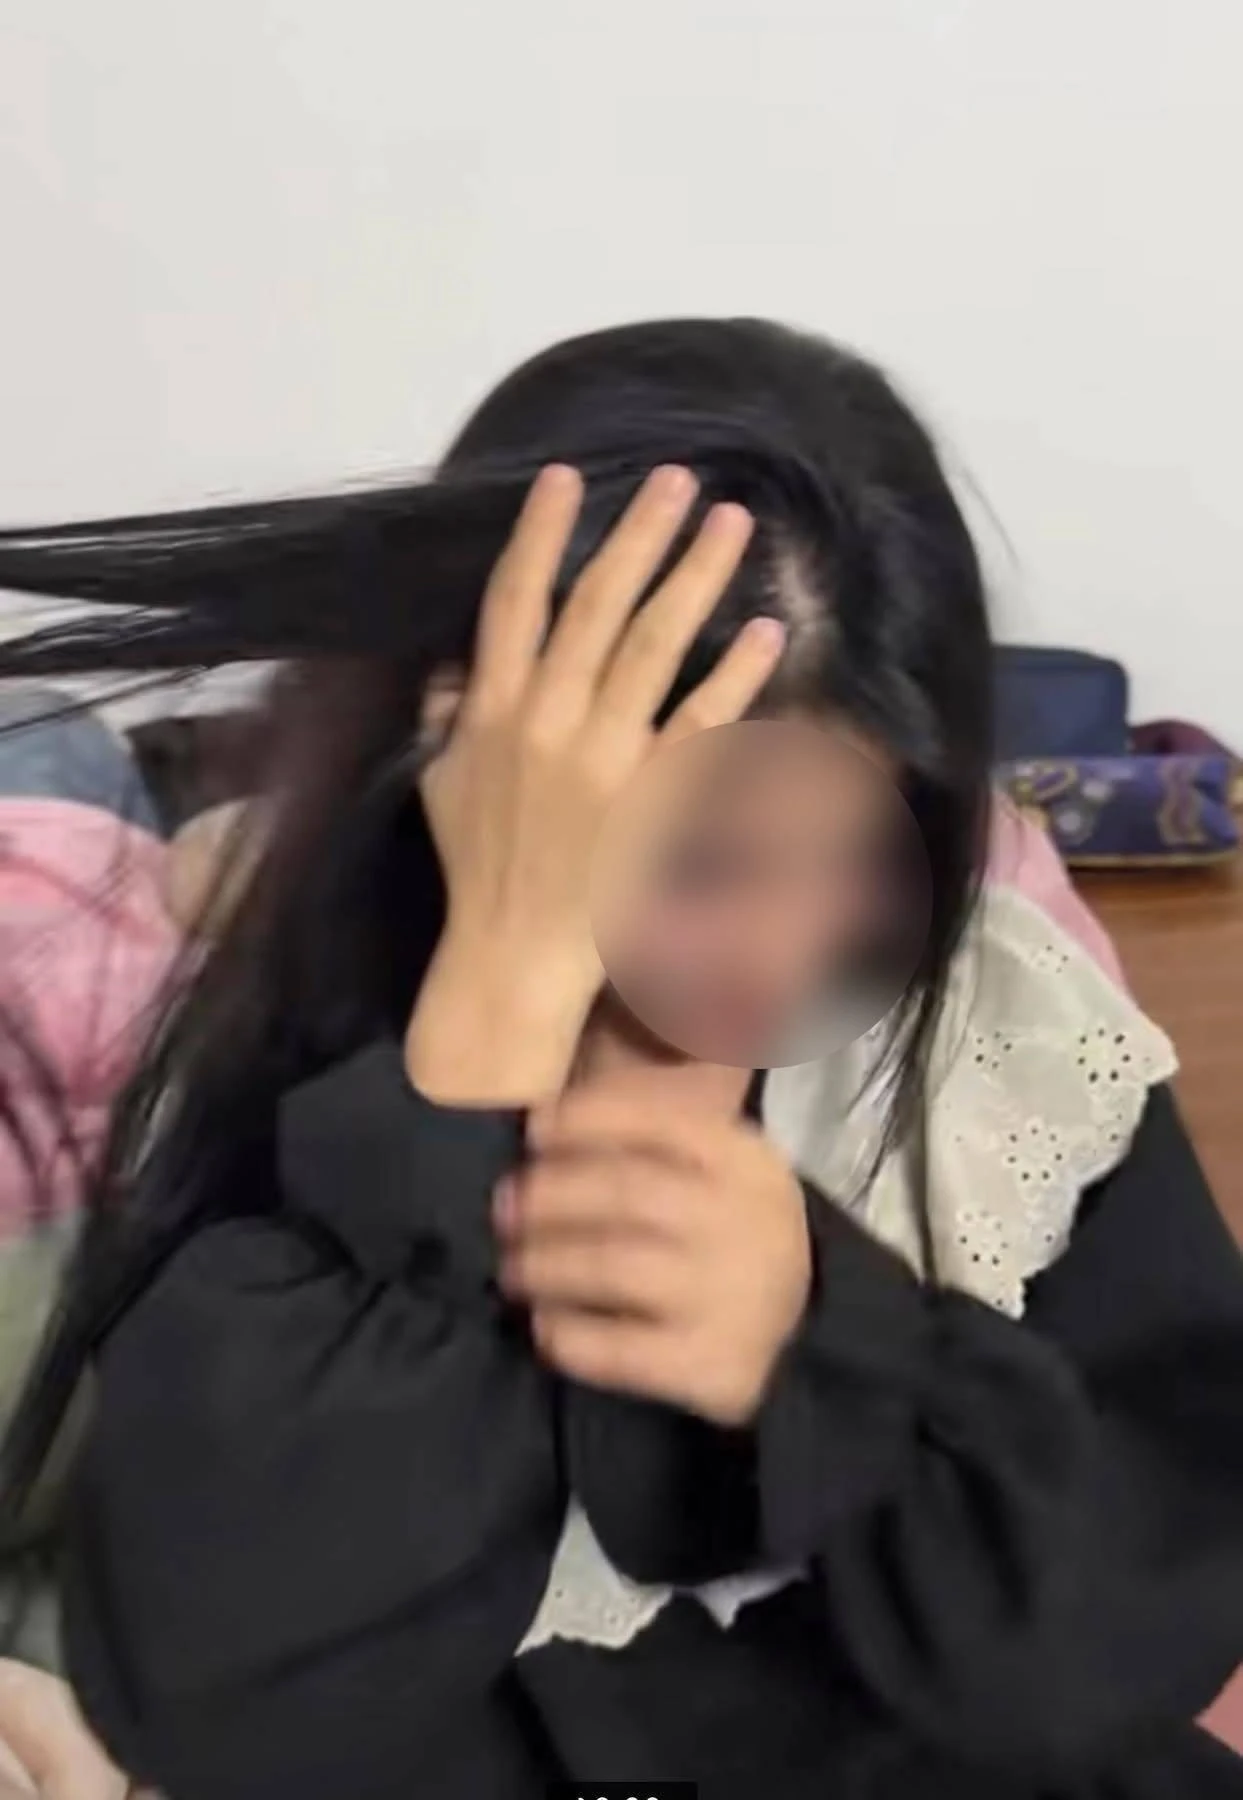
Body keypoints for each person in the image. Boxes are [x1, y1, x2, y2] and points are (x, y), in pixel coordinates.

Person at [0, 318, 1239, 1800]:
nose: (783, 953)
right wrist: (490, 1029)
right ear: (478, 771)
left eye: (862, 856)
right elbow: (226, 1694)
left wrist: (831, 1351)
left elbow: (1126, 1626)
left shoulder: (1002, 1048)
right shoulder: (315, 1070)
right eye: (700, 865)